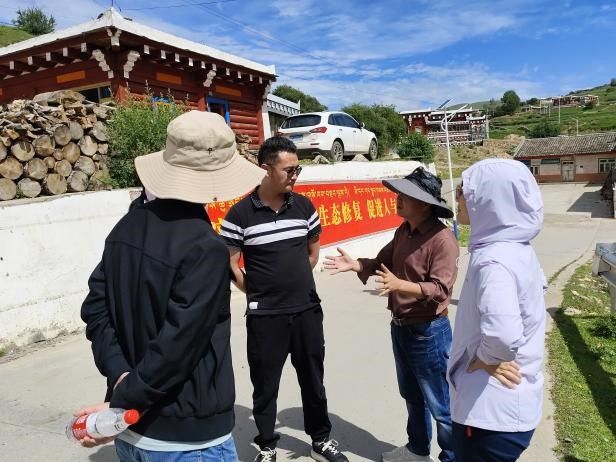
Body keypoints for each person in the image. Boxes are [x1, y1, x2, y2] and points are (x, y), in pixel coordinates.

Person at [77, 110, 265, 461]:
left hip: (131, 431)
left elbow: (96, 310)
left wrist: (119, 377)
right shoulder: (205, 248)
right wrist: (124, 397)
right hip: (188, 439)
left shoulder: (125, 228)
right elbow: (178, 347)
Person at [220, 136, 349, 462]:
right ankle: (267, 445)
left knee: (313, 380)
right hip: (265, 317)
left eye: (297, 169)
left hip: (306, 310)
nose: (295, 175)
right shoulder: (239, 215)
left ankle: (320, 440)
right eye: (289, 170)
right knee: (265, 385)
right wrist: (258, 292)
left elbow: (312, 253)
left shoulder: (304, 207)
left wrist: (294, 284)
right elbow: (231, 265)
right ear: (266, 169)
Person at [324, 167, 459, 462]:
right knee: (412, 395)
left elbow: (440, 289)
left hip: (429, 332)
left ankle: (451, 457)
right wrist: (357, 265)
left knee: (441, 405)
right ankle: (417, 450)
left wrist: (401, 285)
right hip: (401, 327)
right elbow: (380, 262)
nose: (397, 198)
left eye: (405, 195)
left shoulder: (442, 239)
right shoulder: (404, 231)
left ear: (424, 204)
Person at [447, 158, 546, 462]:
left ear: (488, 199)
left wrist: (484, 358)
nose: (457, 199)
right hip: (510, 409)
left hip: (488, 416)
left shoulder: (493, 261)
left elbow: (503, 336)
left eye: (463, 191)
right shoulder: (516, 248)